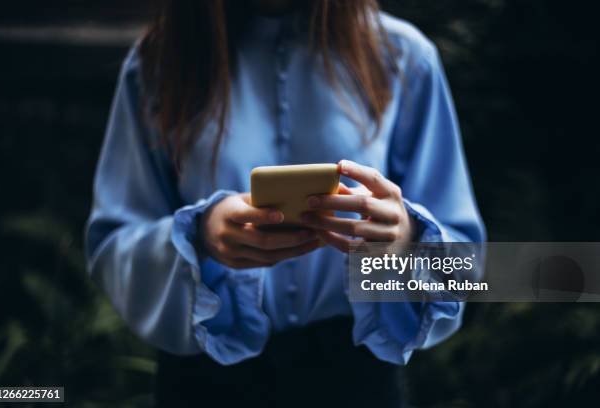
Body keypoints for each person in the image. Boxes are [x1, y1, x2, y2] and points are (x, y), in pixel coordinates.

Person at [85, 0, 485, 406]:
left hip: (355, 378)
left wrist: (406, 240)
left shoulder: (404, 56)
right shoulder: (158, 62)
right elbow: (112, 244)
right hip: (206, 378)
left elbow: (468, 261)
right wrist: (200, 237)